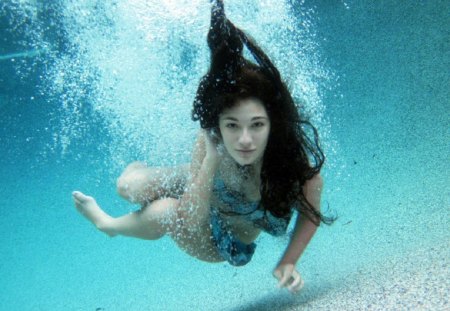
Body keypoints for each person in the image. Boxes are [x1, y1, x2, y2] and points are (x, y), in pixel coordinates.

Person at [72, 0, 335, 294]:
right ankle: (139, 172)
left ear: (272, 124)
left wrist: (288, 262)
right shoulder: (210, 143)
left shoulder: (295, 172)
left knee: (164, 211)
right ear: (219, 126)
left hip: (217, 239)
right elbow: (194, 207)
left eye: (257, 125)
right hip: (199, 184)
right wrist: (210, 161)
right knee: (128, 187)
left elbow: (187, 223)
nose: (245, 140)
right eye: (232, 125)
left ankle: (109, 225)